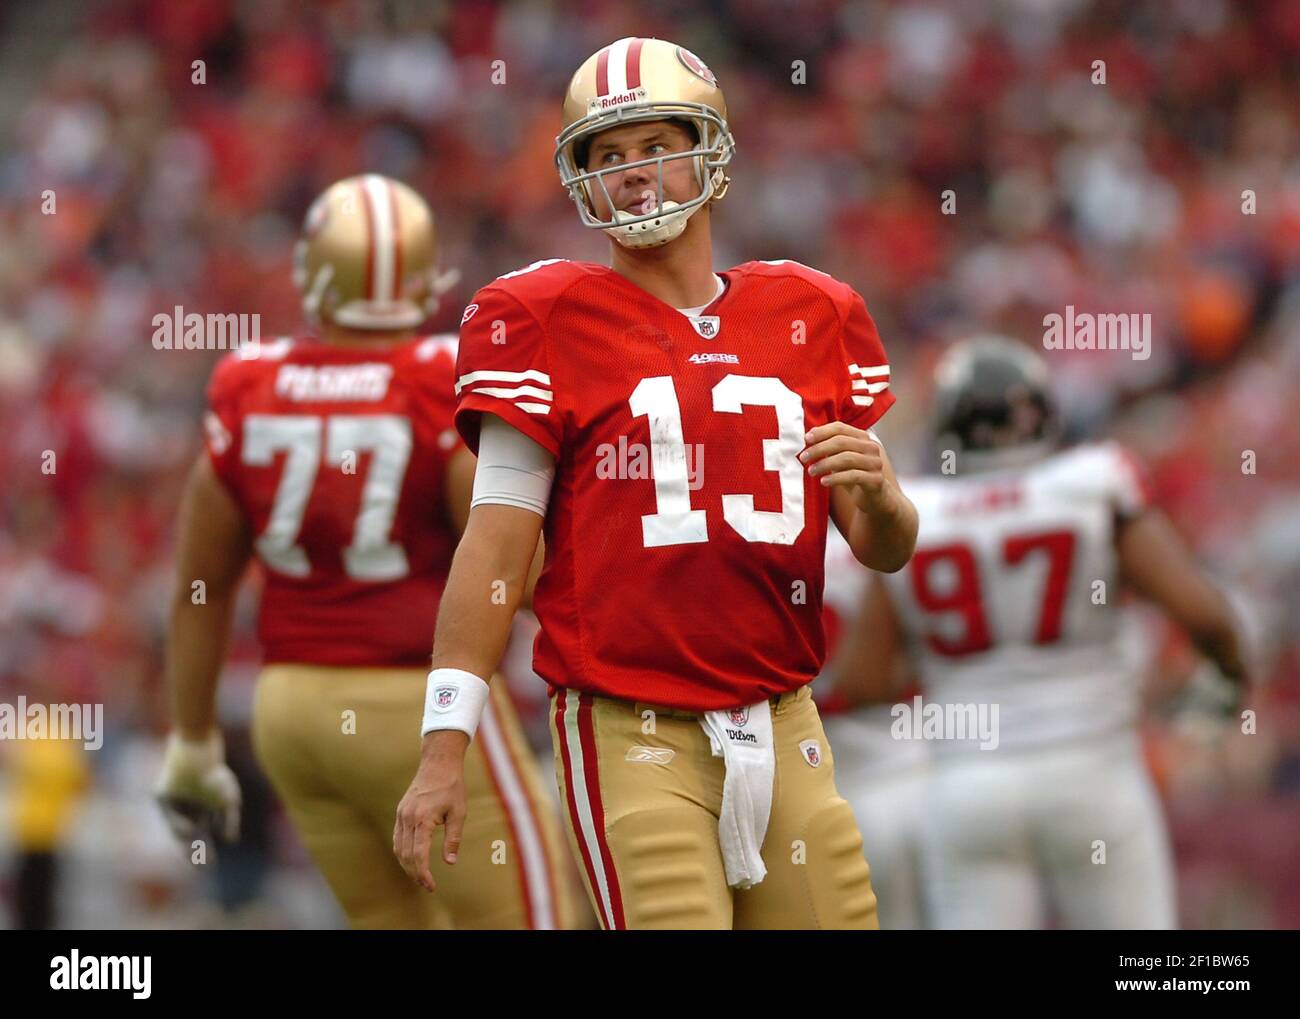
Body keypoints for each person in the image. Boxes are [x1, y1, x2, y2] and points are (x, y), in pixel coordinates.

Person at [393, 38, 918, 930]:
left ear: (710, 152)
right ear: (579, 179)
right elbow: (494, 543)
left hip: (788, 720)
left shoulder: (812, 309)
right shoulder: (542, 316)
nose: (636, 175)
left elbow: (884, 547)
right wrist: (445, 744)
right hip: (627, 727)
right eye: (608, 156)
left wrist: (881, 493)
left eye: (656, 146)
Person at [155, 174, 583, 929]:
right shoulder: (437, 381)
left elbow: (201, 586)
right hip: (415, 704)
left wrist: (192, 739)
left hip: (290, 712)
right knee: (529, 917)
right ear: (422, 279)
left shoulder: (249, 382)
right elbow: (507, 562)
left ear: (313, 274)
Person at [832, 335, 1249, 929]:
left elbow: (865, 679)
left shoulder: (918, 512)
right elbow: (1205, 616)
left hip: (967, 786)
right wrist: (1231, 675)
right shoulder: (1090, 484)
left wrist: (962, 673)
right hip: (1092, 767)